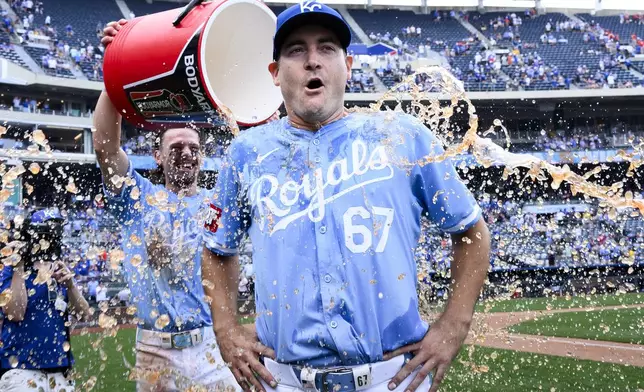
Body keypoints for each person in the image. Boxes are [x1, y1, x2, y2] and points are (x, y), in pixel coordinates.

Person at [201, 2, 491, 392]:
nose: (312, 61)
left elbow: (471, 231)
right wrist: (226, 330)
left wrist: (454, 325)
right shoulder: (246, 153)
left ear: (348, 66)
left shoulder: (402, 135)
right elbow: (217, 249)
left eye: (327, 48)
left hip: (391, 378)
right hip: (282, 379)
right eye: (295, 50)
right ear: (275, 73)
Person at [94, 21, 241, 392]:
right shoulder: (137, 198)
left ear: (204, 157)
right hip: (154, 353)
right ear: (157, 156)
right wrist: (116, 68)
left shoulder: (215, 206)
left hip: (210, 345)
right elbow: (105, 148)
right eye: (175, 148)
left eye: (193, 148)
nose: (186, 154)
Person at [0, 208, 91, 391]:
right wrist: (20, 265)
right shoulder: (12, 269)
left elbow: (85, 315)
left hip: (60, 371)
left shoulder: (58, 268)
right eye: (48, 230)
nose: (52, 237)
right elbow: (15, 313)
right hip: (21, 369)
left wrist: (71, 286)